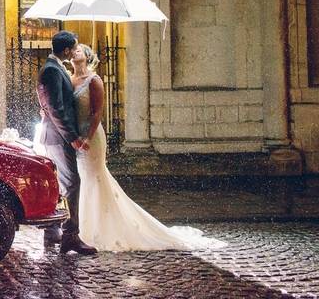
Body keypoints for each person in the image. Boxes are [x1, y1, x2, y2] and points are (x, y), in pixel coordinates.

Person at [69, 43, 225, 251]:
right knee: (83, 179)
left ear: (87, 57)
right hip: (76, 136)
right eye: (73, 51)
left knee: (94, 177)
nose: (73, 53)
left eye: (78, 50)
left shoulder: (94, 80)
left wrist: (87, 137)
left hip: (91, 137)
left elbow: (97, 113)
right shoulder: (69, 80)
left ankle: (98, 229)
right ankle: (84, 229)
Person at [36, 30, 98, 255]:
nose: (74, 52)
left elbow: (47, 102)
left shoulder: (53, 68)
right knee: (71, 184)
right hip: (59, 137)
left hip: (53, 135)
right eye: (73, 48)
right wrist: (71, 138)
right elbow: (56, 108)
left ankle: (52, 231)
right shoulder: (52, 70)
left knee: (59, 184)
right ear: (65, 50)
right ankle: (71, 236)